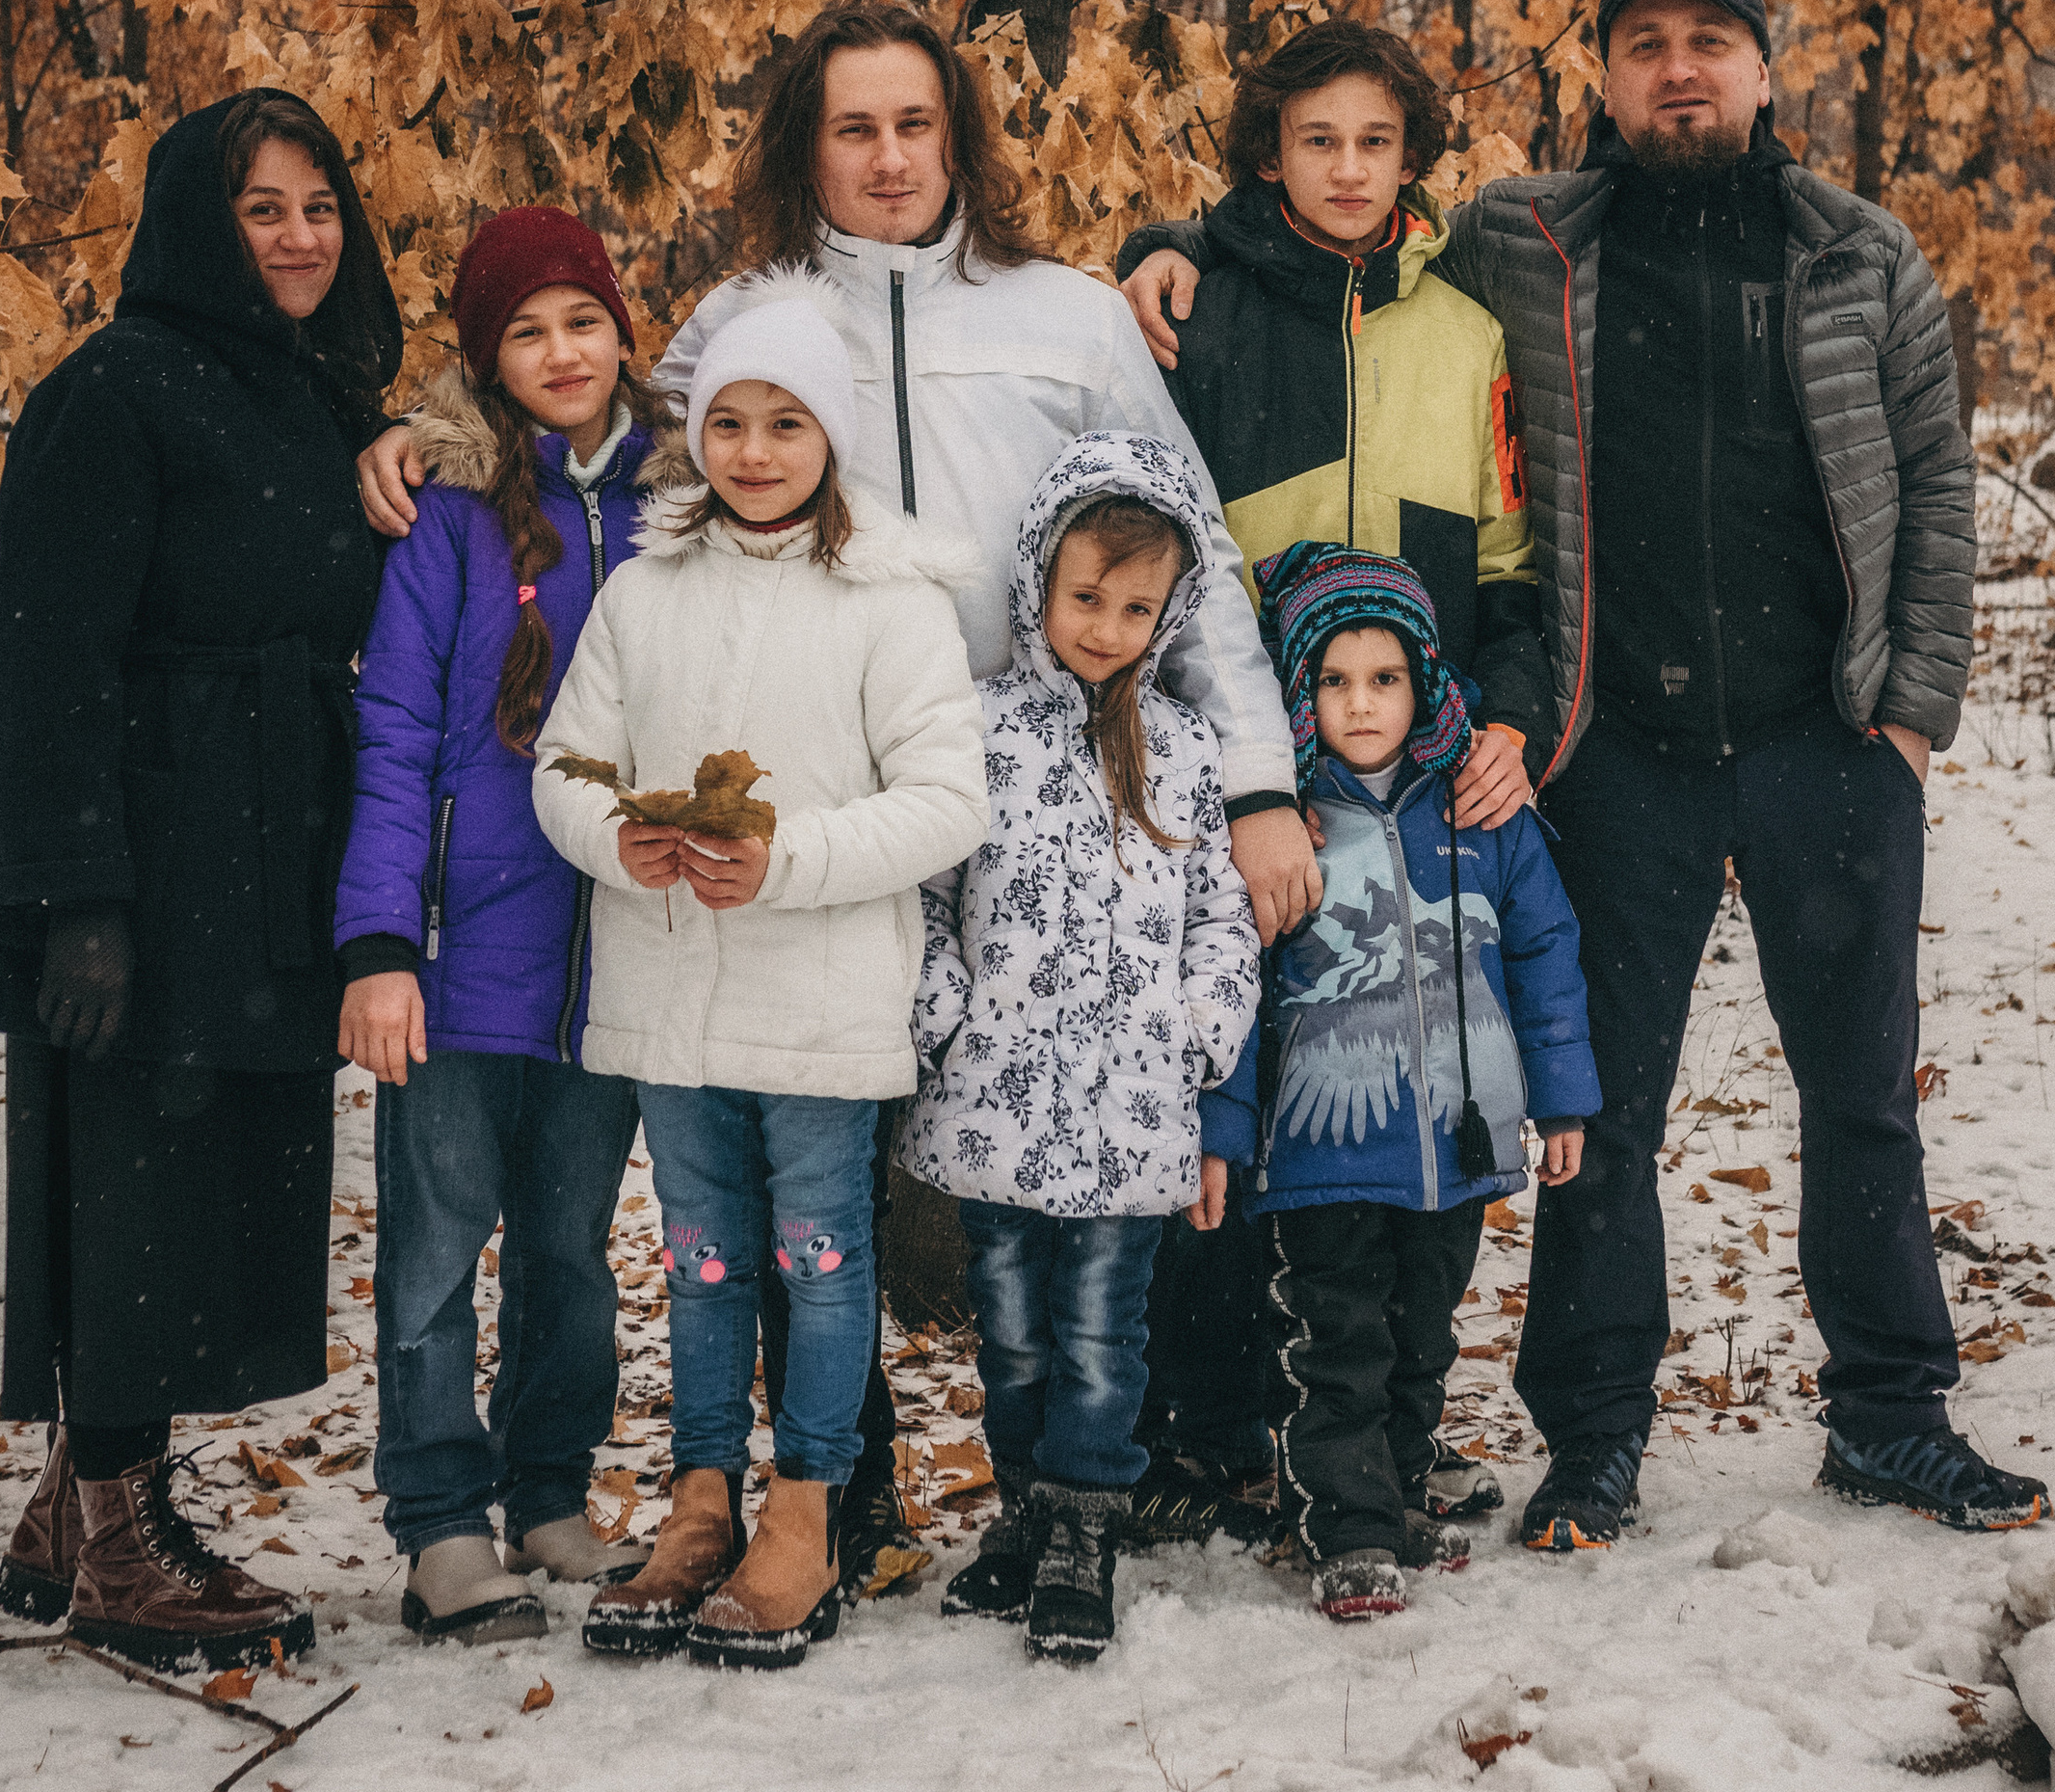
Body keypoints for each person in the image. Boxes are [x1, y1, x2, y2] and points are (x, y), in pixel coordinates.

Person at [360, 0, 1308, 1585]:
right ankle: (833, 1486)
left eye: (915, 124)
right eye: (853, 126)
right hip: (794, 813)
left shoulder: (1069, 318)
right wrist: (423, 435)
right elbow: (593, 470)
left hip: (1034, 798)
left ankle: (1097, 1469)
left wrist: (1262, 782)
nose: (885, 157)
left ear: (961, 139)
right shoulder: (740, 316)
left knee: (1060, 1149)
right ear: (809, 141)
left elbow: (1186, 549)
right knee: (809, 1159)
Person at [1127, 0, 2036, 1542]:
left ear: (1764, 68)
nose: (1678, 72)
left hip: (1829, 739)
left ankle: (1892, 1410)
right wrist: (1156, 252)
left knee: (1863, 1094)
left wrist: (1910, 714)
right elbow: (1320, 235)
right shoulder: (1526, 239)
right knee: (1602, 1110)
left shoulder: (1858, 251)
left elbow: (1937, 485)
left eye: (1711, 45)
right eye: (1644, 49)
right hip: (1623, 752)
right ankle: (1596, 1431)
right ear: (1602, 79)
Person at [0, 90, 402, 1672]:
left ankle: (81, 1501)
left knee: (206, 1175)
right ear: (193, 228)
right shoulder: (113, 390)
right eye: (260, 211)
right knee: (136, 1172)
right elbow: (54, 654)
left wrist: (397, 437)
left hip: (273, 837)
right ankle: (124, 1540)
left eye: (316, 208)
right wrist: (76, 892)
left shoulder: (314, 391)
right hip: (151, 852)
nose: (296, 238)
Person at [1107, 15, 1548, 1540]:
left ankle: (1365, 1431)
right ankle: (1208, 1428)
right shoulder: (1197, 313)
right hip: (1235, 763)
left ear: (1412, 156)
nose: (1349, 170)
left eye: (1375, 142)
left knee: (1385, 1095)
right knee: (1233, 1076)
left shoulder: (1466, 332)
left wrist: (1510, 717)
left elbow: (1505, 569)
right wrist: (1224, 774)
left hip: (1407, 772)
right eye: (1317, 142)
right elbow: (1152, 547)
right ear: (1267, 154)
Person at [532, 277, 987, 1667]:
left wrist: (785, 858)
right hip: (671, 999)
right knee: (706, 1260)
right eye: (728, 422)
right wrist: (621, 838)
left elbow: (946, 801)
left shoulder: (888, 603)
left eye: (786, 423)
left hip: (823, 997)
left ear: (831, 439)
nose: (754, 451)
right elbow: (564, 762)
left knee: (825, 1258)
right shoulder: (644, 589)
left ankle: (811, 1508)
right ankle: (702, 1501)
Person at [333, 208, 657, 1647]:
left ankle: (545, 1492)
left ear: (621, 332)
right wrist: (381, 945)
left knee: (574, 1249)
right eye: (525, 332)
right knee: (435, 1247)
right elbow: (396, 733)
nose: (561, 352)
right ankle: (441, 1525)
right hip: (461, 955)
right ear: (487, 361)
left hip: (617, 957)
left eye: (581, 321)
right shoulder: (447, 520)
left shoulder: (684, 503)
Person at [901, 433, 1262, 1666]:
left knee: (1105, 1334)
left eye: (1134, 608)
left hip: (1132, 1112)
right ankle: (1025, 1511)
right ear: (1038, 591)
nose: (1105, 628)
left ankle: (1086, 1524)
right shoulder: (979, 729)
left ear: (1169, 614)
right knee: (1010, 1327)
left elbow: (1221, 913)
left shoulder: (1187, 747)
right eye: (1084, 599)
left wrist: (1199, 1036)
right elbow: (931, 895)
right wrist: (940, 1011)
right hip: (997, 1098)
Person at [1216, 547, 1596, 1619]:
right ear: (1299, 693)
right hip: (1325, 1155)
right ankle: (1348, 1528)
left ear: (1424, 682)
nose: (1361, 703)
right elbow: (1237, 992)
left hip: (1458, 1140)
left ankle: (1389, 1485)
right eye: (1333, 682)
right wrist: (1225, 1128)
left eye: (1383, 679)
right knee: (1343, 1341)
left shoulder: (1477, 811)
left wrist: (1559, 1098)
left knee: (1422, 1335)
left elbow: (1545, 948)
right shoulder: (1287, 827)